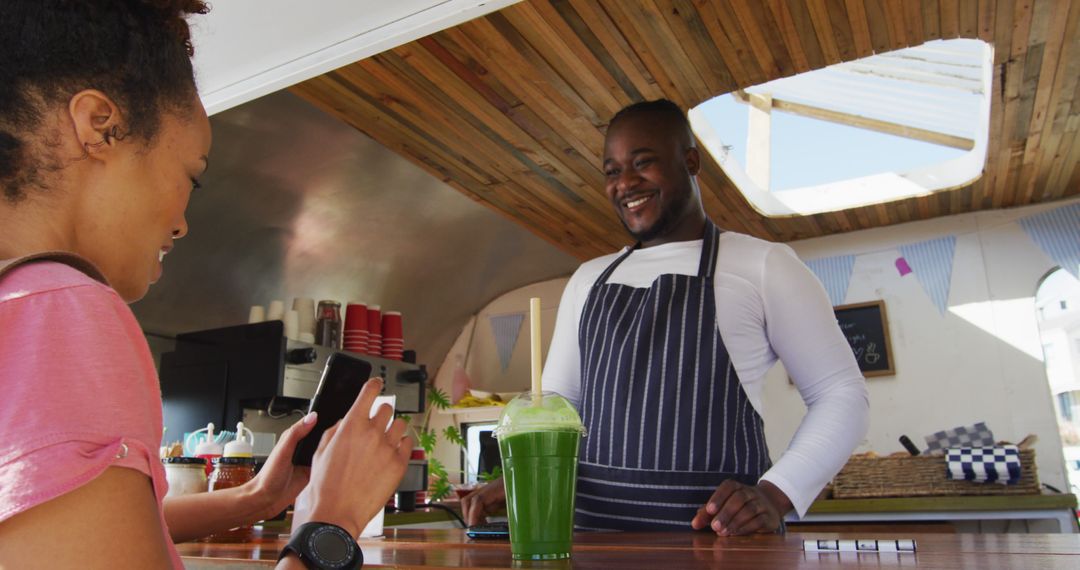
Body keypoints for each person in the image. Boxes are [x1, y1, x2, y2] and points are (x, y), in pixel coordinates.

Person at [0, 2, 411, 568]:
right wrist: (332, 523)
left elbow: (69, 527)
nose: (183, 222)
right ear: (99, 125)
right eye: (191, 175)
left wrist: (254, 499)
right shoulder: (63, 311)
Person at [463, 99, 869, 534]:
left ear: (691, 161)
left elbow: (841, 394)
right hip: (594, 541)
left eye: (643, 163)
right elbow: (562, 407)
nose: (626, 183)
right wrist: (519, 475)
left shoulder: (764, 265)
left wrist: (775, 493)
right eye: (612, 171)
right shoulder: (588, 279)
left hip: (720, 543)